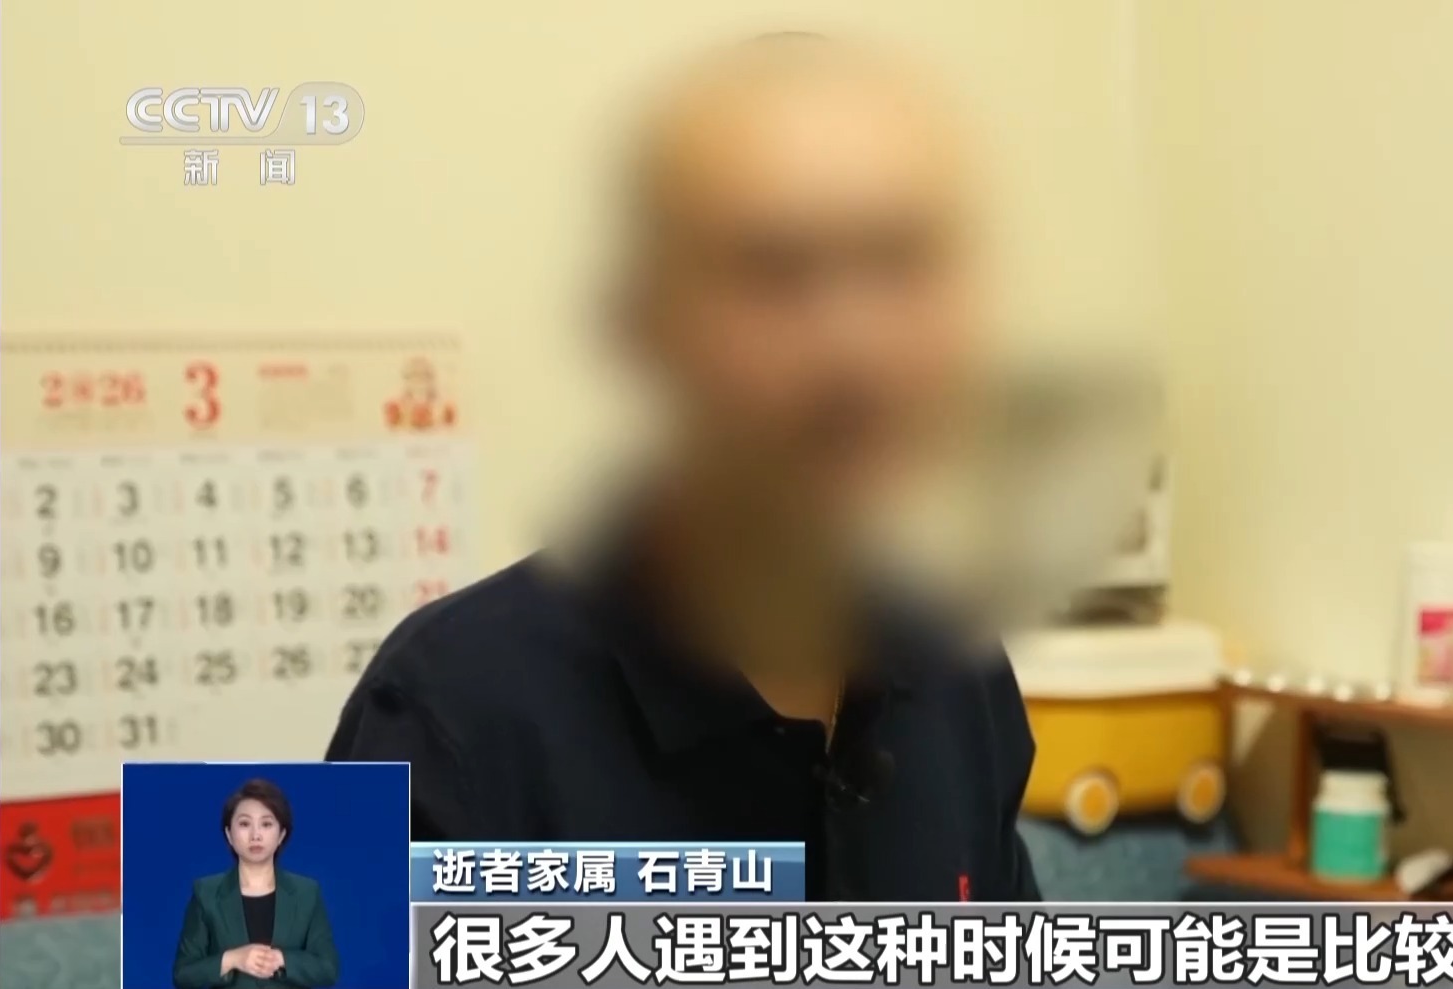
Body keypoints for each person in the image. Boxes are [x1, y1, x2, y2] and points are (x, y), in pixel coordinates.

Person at [326, 32, 1041, 901]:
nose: (855, 350)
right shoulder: (453, 714)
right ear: (642, 321)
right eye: (774, 271)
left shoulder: (959, 671)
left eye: (902, 264)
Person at [173, 779, 339, 988]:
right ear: (229, 834)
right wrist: (233, 959)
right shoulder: (206, 893)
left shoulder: (307, 893)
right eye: (244, 824)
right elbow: (183, 974)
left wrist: (282, 959)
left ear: (281, 834)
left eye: (266, 824)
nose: (255, 835)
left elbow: (328, 968)